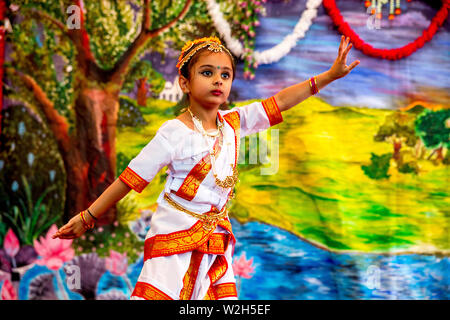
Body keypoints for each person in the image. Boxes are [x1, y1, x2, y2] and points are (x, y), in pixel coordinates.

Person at [52, 35, 360, 300]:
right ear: (184, 83)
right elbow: (129, 180)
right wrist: (87, 217)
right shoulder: (173, 132)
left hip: (215, 236)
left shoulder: (234, 123)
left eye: (225, 75)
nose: (218, 80)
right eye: (208, 72)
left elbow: (278, 102)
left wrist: (329, 76)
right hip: (173, 234)